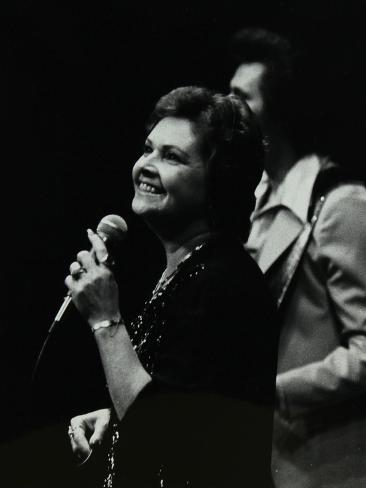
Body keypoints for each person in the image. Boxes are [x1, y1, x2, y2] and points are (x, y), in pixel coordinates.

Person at [64, 86, 279, 487]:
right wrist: (114, 421)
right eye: (148, 149)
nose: (147, 164)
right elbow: (188, 410)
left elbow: (161, 435)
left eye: (172, 157)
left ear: (220, 182)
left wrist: (106, 320)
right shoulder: (188, 272)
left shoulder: (223, 282)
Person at [229, 27, 366, 487]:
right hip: (259, 459)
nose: (224, 110)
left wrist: (273, 393)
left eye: (239, 97)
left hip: (324, 466)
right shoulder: (247, 202)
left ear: (277, 115)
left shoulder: (340, 204)